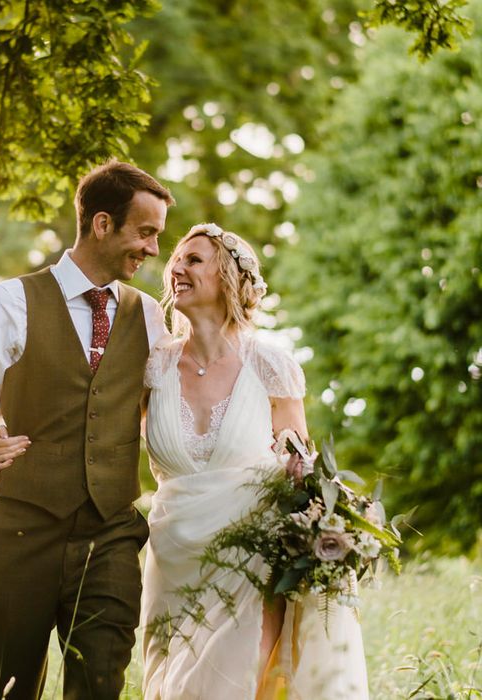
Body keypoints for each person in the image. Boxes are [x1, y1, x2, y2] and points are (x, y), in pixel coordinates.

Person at [0, 159, 175, 699]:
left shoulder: (148, 315)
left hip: (110, 534)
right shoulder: (10, 301)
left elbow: (168, 408)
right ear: (102, 224)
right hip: (21, 530)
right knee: (9, 689)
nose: (152, 249)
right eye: (144, 233)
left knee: (101, 681)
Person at [139, 223, 369, 699]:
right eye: (177, 259)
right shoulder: (152, 366)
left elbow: (302, 471)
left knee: (231, 688)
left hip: (249, 562)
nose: (176, 267)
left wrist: (328, 526)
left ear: (227, 278)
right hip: (172, 565)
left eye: (194, 259)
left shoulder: (271, 366)